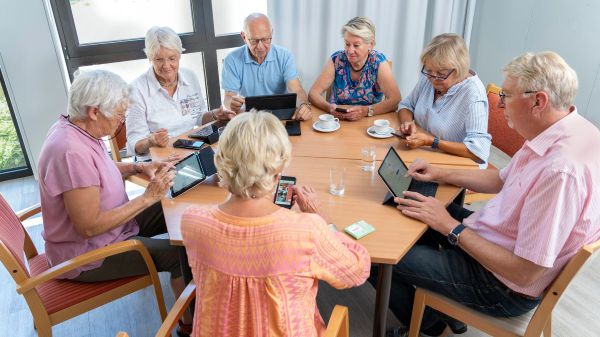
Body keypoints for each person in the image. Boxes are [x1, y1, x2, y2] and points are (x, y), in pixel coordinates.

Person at [371, 51, 600, 337]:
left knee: (375, 255)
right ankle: (441, 306)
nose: (500, 105)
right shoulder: (570, 130)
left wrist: (449, 225)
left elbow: (525, 273)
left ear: (538, 101)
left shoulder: (560, 172)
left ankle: (430, 323)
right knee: (409, 201)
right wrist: (438, 172)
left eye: (506, 95)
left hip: (500, 285)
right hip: (497, 239)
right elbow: (502, 179)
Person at [180, 111, 370, 336]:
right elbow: (356, 272)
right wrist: (325, 222)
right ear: (279, 168)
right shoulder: (307, 229)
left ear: (221, 162)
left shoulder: (193, 221)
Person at [38, 70, 192, 336]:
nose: (121, 122)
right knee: (179, 256)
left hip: (115, 227)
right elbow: (88, 227)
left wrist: (136, 167)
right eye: (119, 116)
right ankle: (188, 327)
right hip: (89, 254)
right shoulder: (69, 151)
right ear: (94, 111)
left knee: (174, 203)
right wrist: (146, 198)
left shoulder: (75, 128)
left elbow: (98, 169)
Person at [127, 26, 235, 160]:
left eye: (172, 58)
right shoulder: (136, 90)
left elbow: (199, 117)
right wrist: (151, 141)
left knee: (231, 166)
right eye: (159, 59)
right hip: (156, 160)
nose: (166, 66)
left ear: (179, 55)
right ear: (150, 58)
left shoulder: (190, 77)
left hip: (189, 151)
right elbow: (134, 144)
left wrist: (215, 115)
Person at [397, 33, 491, 163]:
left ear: (459, 70)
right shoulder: (430, 77)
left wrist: (433, 142)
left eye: (441, 74)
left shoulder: (473, 94)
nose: (433, 78)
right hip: (423, 156)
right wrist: (407, 124)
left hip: (454, 165)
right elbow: (407, 105)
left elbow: (478, 151)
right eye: (429, 71)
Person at [221, 13, 312, 120]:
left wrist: (303, 105)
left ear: (271, 34)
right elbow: (228, 96)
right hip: (250, 117)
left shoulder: (285, 56)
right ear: (244, 37)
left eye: (265, 39)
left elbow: (296, 88)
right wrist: (231, 104)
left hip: (282, 116)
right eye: (254, 40)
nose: (260, 47)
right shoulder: (231, 59)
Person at [309, 16, 401, 121]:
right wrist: (329, 108)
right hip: (338, 121)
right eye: (347, 44)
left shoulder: (378, 62)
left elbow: (395, 100)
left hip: (368, 123)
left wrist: (366, 111)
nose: (350, 50)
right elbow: (313, 94)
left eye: (356, 45)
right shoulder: (337, 60)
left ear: (371, 44)